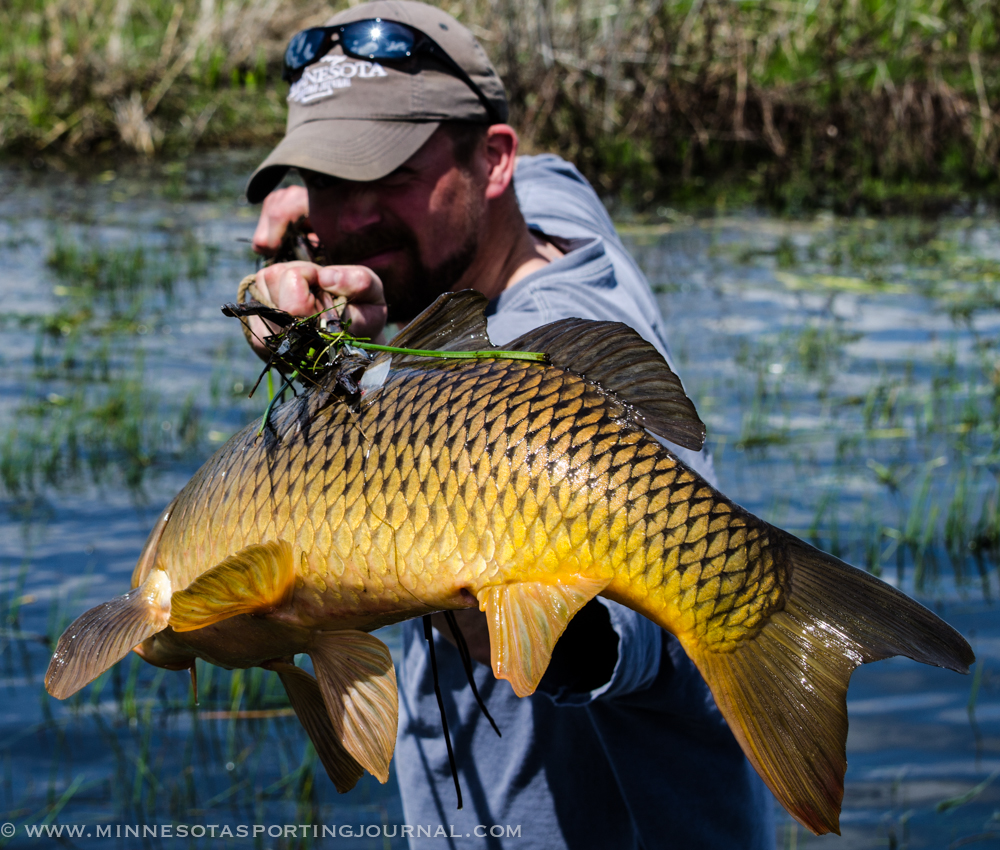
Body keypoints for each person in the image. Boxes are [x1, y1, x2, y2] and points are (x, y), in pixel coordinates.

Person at [243, 2, 775, 846]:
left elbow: (625, 639)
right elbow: (548, 170)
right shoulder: (554, 209)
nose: (355, 218)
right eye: (332, 183)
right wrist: (303, 220)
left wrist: (367, 363)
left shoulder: (549, 347)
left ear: (493, 162)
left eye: (391, 178)